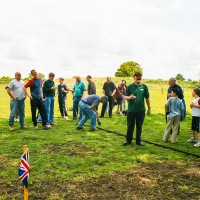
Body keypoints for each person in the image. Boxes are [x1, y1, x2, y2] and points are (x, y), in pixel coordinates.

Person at [122, 72, 151, 146]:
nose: (138, 78)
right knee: (130, 126)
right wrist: (130, 97)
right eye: (137, 77)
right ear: (134, 78)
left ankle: (138, 141)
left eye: (140, 77)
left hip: (141, 110)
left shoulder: (144, 87)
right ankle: (128, 140)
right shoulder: (130, 86)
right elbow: (125, 97)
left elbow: (147, 97)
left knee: (139, 126)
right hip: (131, 110)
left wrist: (149, 107)